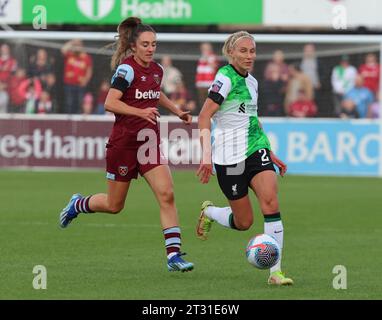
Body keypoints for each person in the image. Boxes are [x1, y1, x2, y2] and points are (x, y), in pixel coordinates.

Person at [59, 17, 194, 273]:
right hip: (124, 144)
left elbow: (156, 93)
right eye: (145, 44)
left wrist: (178, 111)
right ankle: (78, 204)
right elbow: (110, 102)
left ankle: (174, 256)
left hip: (148, 142)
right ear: (133, 46)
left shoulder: (157, 70)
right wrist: (139, 113)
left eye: (154, 44)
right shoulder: (126, 69)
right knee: (114, 205)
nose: (151, 48)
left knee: (167, 194)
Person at [196, 31, 293, 285]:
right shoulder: (224, 79)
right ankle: (210, 212)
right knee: (244, 222)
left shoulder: (252, 82)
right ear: (231, 53)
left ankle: (276, 272)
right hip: (228, 157)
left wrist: (269, 150)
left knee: (270, 202)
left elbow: (252, 118)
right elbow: (204, 116)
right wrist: (206, 155)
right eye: (243, 51)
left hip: (255, 149)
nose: (249, 56)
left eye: (252, 51)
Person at [61, 39, 93, 114]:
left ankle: (78, 119)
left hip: (80, 84)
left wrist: (86, 80)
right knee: (69, 102)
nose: (77, 47)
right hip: (69, 83)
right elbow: (63, 49)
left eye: (78, 45)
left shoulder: (86, 57)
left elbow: (89, 71)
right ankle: (68, 120)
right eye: (76, 45)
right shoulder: (69, 54)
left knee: (79, 102)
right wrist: (72, 42)